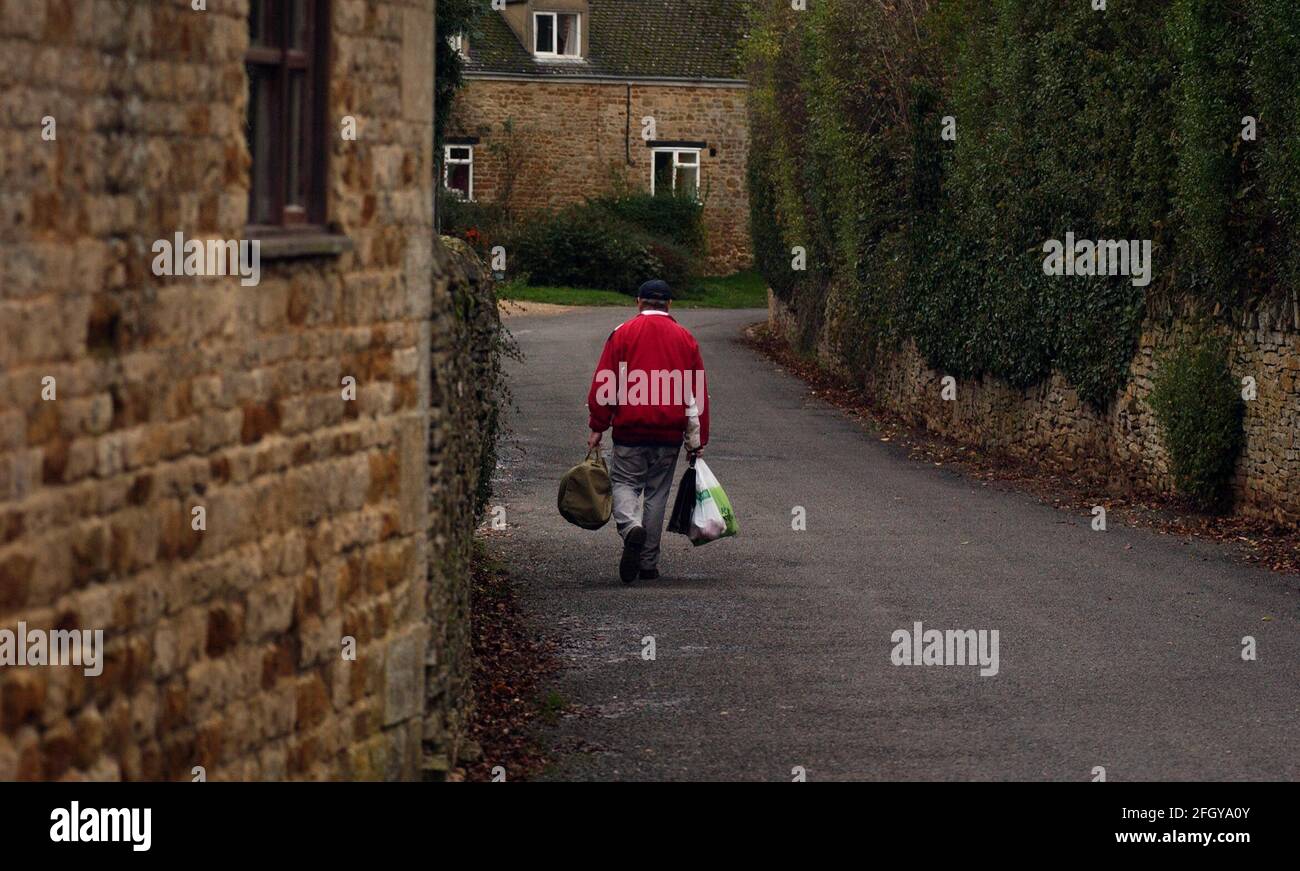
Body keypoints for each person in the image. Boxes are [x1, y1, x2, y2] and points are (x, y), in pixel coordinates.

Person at [586, 279, 709, 583]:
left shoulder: (622, 334)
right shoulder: (686, 339)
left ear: (638, 301)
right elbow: (696, 395)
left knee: (624, 483)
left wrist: (598, 425)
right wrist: (696, 440)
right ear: (669, 305)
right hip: (668, 434)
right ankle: (648, 564)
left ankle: (630, 528)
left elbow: (605, 383)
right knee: (657, 494)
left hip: (630, 429)